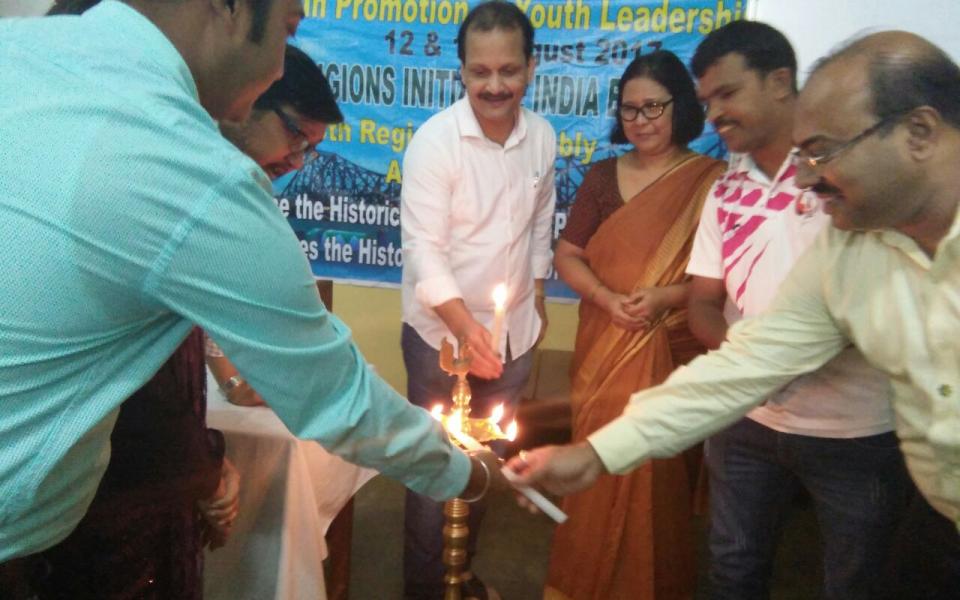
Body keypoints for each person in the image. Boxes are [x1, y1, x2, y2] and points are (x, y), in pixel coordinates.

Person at [0, 0, 492, 572]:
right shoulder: (192, 170)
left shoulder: (20, 50)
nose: (281, 69)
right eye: (288, 30)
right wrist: (470, 471)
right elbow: (336, 398)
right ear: (230, 8)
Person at [509, 30, 960, 599]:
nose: (803, 178)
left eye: (823, 151)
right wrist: (595, 453)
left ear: (918, 132)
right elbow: (750, 361)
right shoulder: (845, 250)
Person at [686, 21, 909, 599]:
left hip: (855, 431)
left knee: (853, 581)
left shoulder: (853, 174)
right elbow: (702, 304)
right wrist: (748, 359)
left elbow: (900, 297)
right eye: (707, 100)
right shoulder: (725, 190)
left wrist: (809, 350)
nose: (714, 114)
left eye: (728, 93)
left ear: (781, 81)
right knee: (733, 569)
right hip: (745, 422)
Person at [545, 51, 723, 600]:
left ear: (682, 108)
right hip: (605, 339)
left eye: (654, 107)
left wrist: (666, 296)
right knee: (595, 459)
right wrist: (605, 295)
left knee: (659, 467)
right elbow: (567, 253)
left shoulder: (710, 182)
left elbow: (721, 277)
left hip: (674, 346)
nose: (640, 120)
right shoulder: (601, 177)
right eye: (629, 110)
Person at [399, 2, 556, 597]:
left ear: (530, 68)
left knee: (484, 468)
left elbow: (540, 224)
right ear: (461, 71)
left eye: (508, 71)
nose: (495, 86)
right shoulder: (436, 143)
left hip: (512, 336)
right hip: (442, 342)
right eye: (480, 72)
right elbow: (423, 252)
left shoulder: (541, 136)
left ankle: (458, 576)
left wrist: (536, 296)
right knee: (432, 477)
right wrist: (466, 329)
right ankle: (424, 588)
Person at [208, 43, 344, 407]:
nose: (298, 163)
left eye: (309, 149)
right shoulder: (192, 172)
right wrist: (233, 380)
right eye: (296, 138)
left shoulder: (243, 182)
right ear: (250, 100)